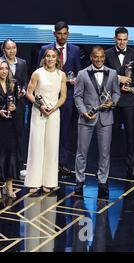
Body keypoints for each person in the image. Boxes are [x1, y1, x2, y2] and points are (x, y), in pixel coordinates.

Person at [74, 46, 121, 198]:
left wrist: (112, 103)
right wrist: (83, 112)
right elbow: (77, 96)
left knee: (105, 153)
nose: (99, 59)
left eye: (101, 57)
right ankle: (79, 181)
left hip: (106, 118)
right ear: (91, 57)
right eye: (96, 57)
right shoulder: (82, 74)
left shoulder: (113, 73)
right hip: (87, 117)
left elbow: (116, 93)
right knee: (81, 152)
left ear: (104, 57)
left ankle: (102, 181)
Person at [38, 21, 81, 177]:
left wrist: (74, 80)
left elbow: (79, 72)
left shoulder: (75, 50)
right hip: (48, 97)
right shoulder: (45, 49)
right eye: (59, 33)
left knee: (64, 131)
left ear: (68, 33)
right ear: (54, 34)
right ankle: (45, 162)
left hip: (67, 97)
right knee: (46, 130)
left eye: (65, 33)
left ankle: (61, 163)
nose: (62, 36)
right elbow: (38, 72)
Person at [105, 27, 134, 180]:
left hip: (130, 101)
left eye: (125, 39)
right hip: (111, 100)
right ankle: (105, 168)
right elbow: (103, 73)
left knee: (131, 136)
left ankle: (131, 167)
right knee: (107, 135)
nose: (122, 42)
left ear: (128, 39)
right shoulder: (108, 53)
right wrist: (118, 78)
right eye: (119, 39)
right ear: (115, 39)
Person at [25, 48, 67, 195]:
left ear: (57, 59)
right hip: (38, 113)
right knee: (36, 146)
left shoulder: (61, 75)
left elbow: (63, 96)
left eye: (53, 56)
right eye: (48, 56)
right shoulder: (37, 73)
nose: (50, 59)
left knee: (51, 147)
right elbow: (29, 93)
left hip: (54, 114)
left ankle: (49, 182)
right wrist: (40, 106)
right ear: (44, 58)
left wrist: (54, 108)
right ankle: (33, 182)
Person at [0, 39, 29, 176]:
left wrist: (22, 90)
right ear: (4, 50)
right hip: (0, 107)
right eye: (9, 48)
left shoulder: (22, 63)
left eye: (14, 48)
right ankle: (0, 170)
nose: (12, 51)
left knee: (18, 135)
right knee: (1, 141)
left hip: (17, 106)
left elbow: (24, 81)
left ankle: (18, 164)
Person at [0, 59, 19, 200]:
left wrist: (14, 108)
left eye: (6, 68)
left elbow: (17, 104)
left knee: (10, 154)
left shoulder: (13, 84)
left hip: (10, 125)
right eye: (1, 69)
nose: (4, 71)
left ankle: (9, 184)